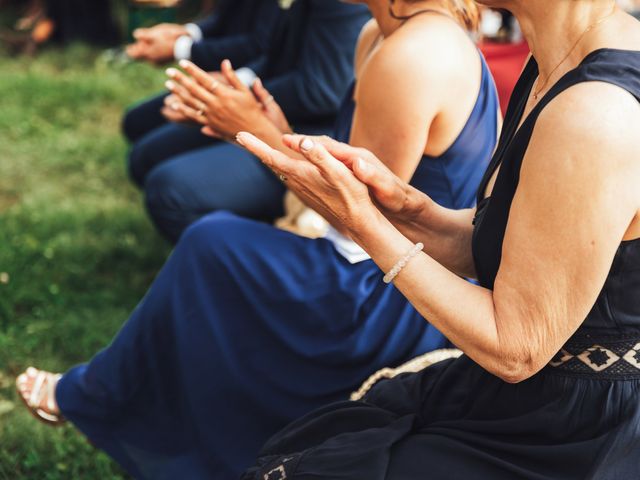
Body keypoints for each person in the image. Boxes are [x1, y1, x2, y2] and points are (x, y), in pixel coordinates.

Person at [15, 0, 499, 478]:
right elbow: (358, 177)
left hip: (398, 292)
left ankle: (99, 394)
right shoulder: (386, 33)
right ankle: (111, 393)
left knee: (214, 244)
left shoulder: (411, 54)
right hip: (391, 265)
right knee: (219, 245)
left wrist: (256, 135)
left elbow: (359, 227)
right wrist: (279, 130)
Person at [230, 1, 640, 478]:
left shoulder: (596, 114)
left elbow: (518, 349)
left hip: (577, 435)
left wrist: (365, 224)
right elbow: (523, 247)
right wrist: (408, 208)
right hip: (527, 397)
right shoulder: (555, 59)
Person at [130, 0, 370, 243]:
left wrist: (240, 102)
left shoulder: (346, 5)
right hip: (276, 114)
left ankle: (243, 259)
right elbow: (274, 50)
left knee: (169, 190)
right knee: (146, 151)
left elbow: (322, 89)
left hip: (316, 137)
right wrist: (231, 86)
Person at [122, 0, 282, 155]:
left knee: (148, 156)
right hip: (242, 75)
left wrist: (178, 47)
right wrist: (186, 33)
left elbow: (259, 45)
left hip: (269, 95)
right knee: (136, 122)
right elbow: (227, 15)